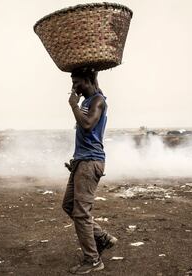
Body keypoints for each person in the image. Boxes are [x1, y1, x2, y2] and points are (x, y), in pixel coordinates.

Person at [62, 67, 117, 274]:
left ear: (88, 81)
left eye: (78, 82)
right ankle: (102, 238)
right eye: (72, 83)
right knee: (69, 205)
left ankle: (93, 260)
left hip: (90, 161)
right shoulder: (87, 100)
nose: (74, 87)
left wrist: (72, 106)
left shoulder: (97, 100)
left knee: (81, 213)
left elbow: (86, 125)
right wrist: (76, 163)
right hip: (81, 162)